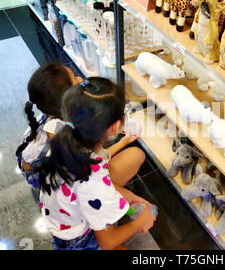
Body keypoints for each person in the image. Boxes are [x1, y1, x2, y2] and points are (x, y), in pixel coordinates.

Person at [36, 77, 155, 250]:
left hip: (64, 221)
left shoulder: (65, 142)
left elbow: (97, 162)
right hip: (77, 240)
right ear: (115, 127)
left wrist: (122, 144)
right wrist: (140, 223)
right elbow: (108, 242)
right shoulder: (92, 182)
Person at [16, 63, 82, 191]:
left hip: (29, 163)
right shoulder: (59, 131)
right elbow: (77, 163)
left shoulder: (48, 113)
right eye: (75, 78)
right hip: (40, 176)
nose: (80, 79)